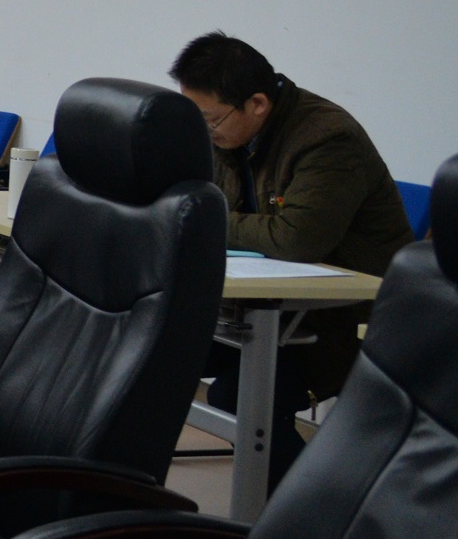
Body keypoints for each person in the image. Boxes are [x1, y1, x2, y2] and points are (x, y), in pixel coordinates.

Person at [170, 31, 414, 469]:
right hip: (262, 307)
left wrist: (205, 218)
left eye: (211, 119)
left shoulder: (327, 138)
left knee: (239, 397)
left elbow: (297, 238)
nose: (205, 131)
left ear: (257, 104)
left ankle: (308, 508)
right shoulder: (232, 135)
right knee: (156, 348)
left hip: (343, 317)